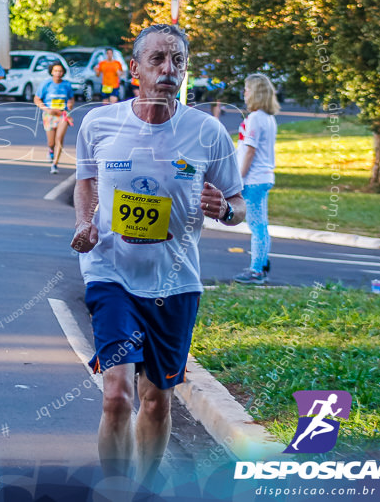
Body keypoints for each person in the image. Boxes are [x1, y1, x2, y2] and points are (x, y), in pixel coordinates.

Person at [70, 24, 246, 487]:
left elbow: (239, 204)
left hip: (174, 284)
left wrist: (225, 209)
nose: (169, 70)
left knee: (156, 400)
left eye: (178, 62)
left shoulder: (207, 134)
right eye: (158, 60)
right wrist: (85, 224)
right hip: (110, 274)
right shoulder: (100, 123)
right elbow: (86, 180)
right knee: (117, 396)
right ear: (135, 69)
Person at [233, 73, 279, 284]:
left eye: (248, 89)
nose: (245, 93)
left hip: (254, 178)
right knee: (260, 224)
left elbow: (249, 151)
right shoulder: (268, 119)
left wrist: (238, 179)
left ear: (257, 93)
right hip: (264, 176)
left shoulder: (255, 119)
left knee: (257, 226)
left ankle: (256, 269)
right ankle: (261, 262)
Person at [33, 61, 75, 174]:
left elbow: (71, 98)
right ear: (51, 72)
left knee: (59, 138)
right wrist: (47, 110)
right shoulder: (46, 84)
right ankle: (51, 150)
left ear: (63, 73)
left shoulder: (67, 84)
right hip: (49, 115)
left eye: (60, 71)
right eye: (56, 71)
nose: (58, 73)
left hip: (63, 115)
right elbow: (37, 99)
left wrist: (70, 105)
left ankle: (55, 164)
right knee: (51, 142)